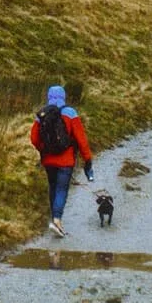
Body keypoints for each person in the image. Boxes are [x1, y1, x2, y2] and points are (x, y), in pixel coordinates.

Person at [29, 84, 93, 238]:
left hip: (48, 160)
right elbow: (81, 139)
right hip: (66, 161)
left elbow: (34, 138)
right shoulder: (70, 113)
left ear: (48, 97)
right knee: (61, 189)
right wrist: (88, 160)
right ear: (64, 97)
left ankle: (55, 220)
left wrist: (43, 149)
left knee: (53, 187)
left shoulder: (42, 114)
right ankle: (57, 220)